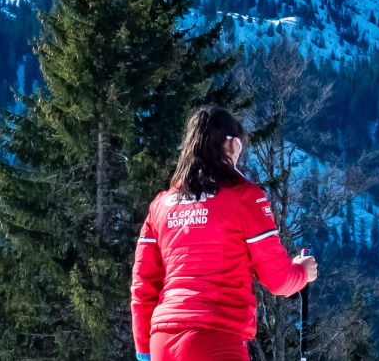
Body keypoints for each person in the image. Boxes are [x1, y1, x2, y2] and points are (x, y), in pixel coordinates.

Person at [131, 106, 318, 361]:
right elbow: (277, 279)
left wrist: (144, 349)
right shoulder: (244, 196)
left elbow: (144, 284)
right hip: (216, 337)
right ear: (232, 143)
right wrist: (302, 273)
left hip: (162, 341)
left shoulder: (160, 205)